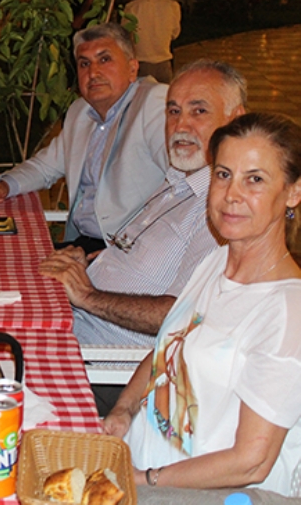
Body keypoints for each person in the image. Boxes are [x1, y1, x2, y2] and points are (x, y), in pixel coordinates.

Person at [104, 112, 301, 497]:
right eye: (224, 174)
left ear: (293, 192)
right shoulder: (216, 260)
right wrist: (123, 410)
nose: (231, 195)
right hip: (137, 464)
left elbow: (251, 461)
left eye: (255, 180)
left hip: (199, 493)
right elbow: (169, 348)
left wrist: (144, 480)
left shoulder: (287, 312)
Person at [38, 60, 246, 348]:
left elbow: (183, 316)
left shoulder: (226, 212)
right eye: (174, 111)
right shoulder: (176, 180)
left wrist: (87, 295)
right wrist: (87, 265)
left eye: (199, 111)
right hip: (75, 316)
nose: (180, 126)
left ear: (236, 119)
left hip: (97, 352)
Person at [0, 22, 169, 254]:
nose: (93, 73)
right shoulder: (80, 112)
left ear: (132, 68)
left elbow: (184, 187)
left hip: (126, 252)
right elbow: (44, 168)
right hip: (81, 245)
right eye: (84, 63)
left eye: (105, 59)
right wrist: (5, 185)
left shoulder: (154, 104)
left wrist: (125, 253)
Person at [123, 0, 181, 83]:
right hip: (163, 62)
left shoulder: (132, 7)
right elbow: (175, 33)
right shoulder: (172, 6)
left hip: (140, 63)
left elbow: (125, 35)